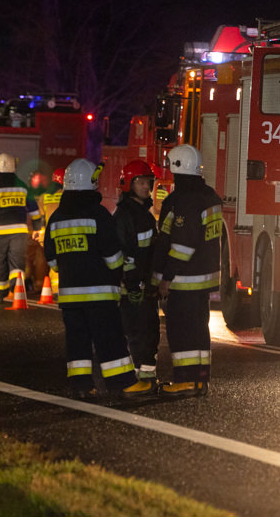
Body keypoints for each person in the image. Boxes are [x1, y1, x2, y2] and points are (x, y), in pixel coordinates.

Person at [44, 158, 154, 400]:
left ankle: (82, 386)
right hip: (100, 294)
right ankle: (123, 383)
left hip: (70, 296)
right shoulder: (98, 214)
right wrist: (119, 273)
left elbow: (51, 261)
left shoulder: (57, 218)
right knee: (110, 340)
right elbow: (113, 257)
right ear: (91, 184)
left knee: (77, 343)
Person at [152, 144, 222, 397]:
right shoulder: (210, 196)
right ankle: (200, 379)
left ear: (177, 168)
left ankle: (185, 380)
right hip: (203, 280)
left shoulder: (182, 201)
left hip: (183, 279)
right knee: (199, 329)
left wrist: (165, 278)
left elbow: (181, 245)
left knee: (181, 331)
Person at [113, 160, 160, 388]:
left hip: (146, 286)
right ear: (129, 185)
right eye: (140, 182)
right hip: (133, 288)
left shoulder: (144, 214)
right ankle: (135, 378)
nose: (146, 187)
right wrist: (132, 286)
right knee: (137, 333)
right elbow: (125, 255)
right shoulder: (124, 216)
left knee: (150, 332)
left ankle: (147, 376)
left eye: (148, 182)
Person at [0, 153, 42, 302]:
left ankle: (0, 294)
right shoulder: (22, 187)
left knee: (0, 262)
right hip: (19, 232)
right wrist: (37, 228)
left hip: (0, 233)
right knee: (17, 262)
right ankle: (16, 291)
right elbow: (34, 209)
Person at [33, 167, 66, 295]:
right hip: (63, 233)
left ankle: (42, 285)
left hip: (48, 235)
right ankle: (58, 289)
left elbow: (40, 217)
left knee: (48, 260)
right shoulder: (67, 196)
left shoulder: (44, 197)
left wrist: (40, 233)